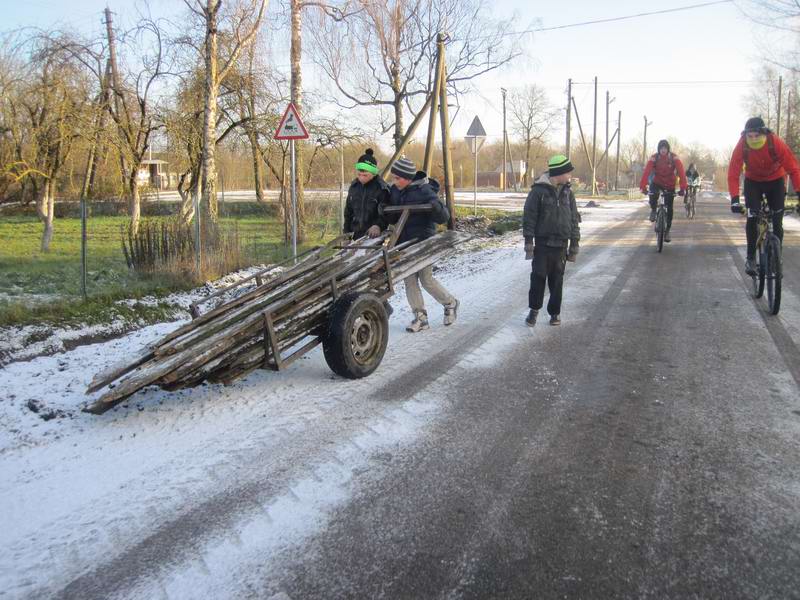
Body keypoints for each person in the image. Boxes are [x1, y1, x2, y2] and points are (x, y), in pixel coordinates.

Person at [384, 156, 458, 333]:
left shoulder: (425, 191)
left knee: (426, 279)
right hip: (404, 243)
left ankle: (450, 303)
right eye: (393, 178)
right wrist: (384, 209)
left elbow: (444, 217)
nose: (394, 181)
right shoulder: (395, 191)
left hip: (424, 243)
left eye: (398, 178)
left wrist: (435, 206)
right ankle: (420, 317)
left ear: (408, 178)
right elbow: (393, 217)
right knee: (409, 280)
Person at [727, 116, 800, 276]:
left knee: (777, 220)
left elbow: (794, 169)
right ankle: (751, 258)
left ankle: (776, 259)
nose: (753, 139)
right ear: (745, 136)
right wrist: (734, 199)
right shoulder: (742, 145)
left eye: (757, 135)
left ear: (764, 133)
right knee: (752, 217)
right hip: (753, 182)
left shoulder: (775, 142)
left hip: (775, 181)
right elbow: (733, 172)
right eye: (750, 136)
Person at [523, 155, 581, 327]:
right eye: (568, 172)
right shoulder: (538, 192)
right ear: (559, 172)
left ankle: (554, 313)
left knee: (557, 280)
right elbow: (529, 217)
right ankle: (534, 310)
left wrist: (574, 244)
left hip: (561, 245)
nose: (570, 175)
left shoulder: (568, 193)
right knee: (538, 278)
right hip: (542, 244)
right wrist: (529, 242)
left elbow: (573, 220)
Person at [639, 139, 688, 243]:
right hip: (657, 183)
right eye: (661, 148)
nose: (663, 150)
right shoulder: (654, 158)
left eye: (665, 148)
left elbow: (681, 172)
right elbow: (647, 171)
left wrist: (683, 188)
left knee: (669, 208)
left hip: (670, 184)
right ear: (659, 149)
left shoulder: (674, 158)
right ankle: (653, 210)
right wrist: (643, 186)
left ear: (668, 149)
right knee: (652, 195)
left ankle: (667, 231)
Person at [343, 148, 390, 240]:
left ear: (373, 173)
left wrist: (378, 225)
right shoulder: (354, 187)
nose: (361, 178)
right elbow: (348, 213)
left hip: (374, 237)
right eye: (359, 174)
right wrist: (346, 235)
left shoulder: (381, 188)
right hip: (354, 236)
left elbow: (386, 213)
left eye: (365, 175)